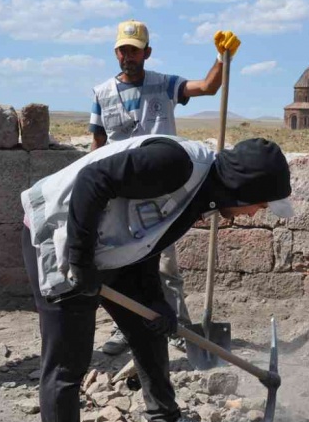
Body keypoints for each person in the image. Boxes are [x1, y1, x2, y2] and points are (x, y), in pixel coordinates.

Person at [21, 134, 293, 422]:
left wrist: (155, 301)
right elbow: (92, 181)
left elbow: (147, 232)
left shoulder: (203, 195)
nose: (256, 214)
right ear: (242, 190)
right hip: (60, 238)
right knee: (67, 362)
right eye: (259, 205)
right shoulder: (175, 164)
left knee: (149, 328)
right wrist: (82, 260)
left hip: (107, 247)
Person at [88, 19, 241, 356]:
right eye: (123, 49)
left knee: (164, 264)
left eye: (135, 50)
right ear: (116, 52)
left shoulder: (164, 85)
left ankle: (177, 326)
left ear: (147, 52)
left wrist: (222, 59)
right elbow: (97, 146)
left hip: (159, 192)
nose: (129, 55)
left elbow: (208, 88)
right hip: (118, 193)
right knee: (119, 261)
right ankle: (125, 327)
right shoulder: (101, 93)